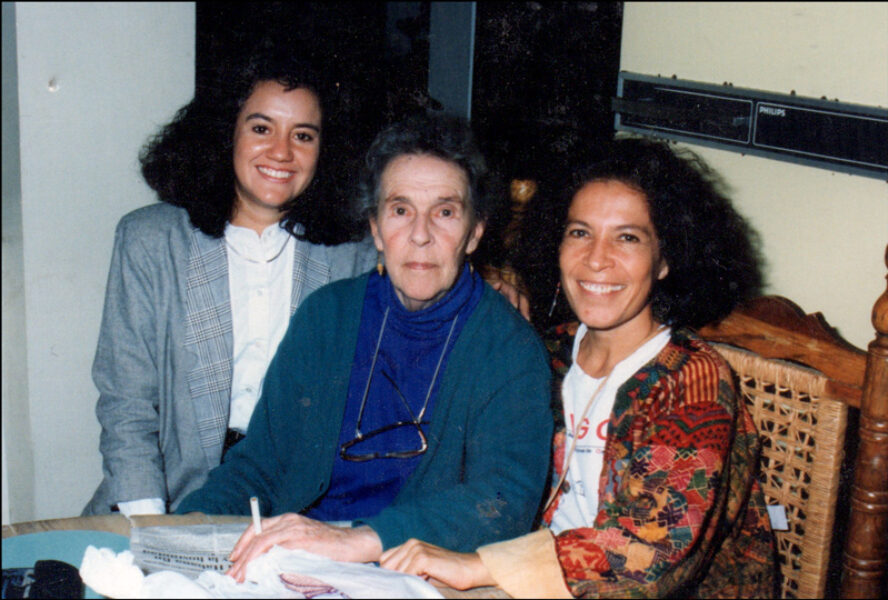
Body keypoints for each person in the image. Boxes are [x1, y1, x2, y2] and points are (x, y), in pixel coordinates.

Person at [83, 45, 529, 517]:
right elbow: (126, 406)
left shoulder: (352, 249)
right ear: (224, 133)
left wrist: (495, 278)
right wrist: (152, 530)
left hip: (291, 503)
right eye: (261, 128)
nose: (281, 152)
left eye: (304, 135)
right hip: (163, 495)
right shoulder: (151, 240)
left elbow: (427, 248)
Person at [380, 137, 778, 598]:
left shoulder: (691, 380)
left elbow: (649, 553)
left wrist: (479, 566)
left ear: (666, 258)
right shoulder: (543, 352)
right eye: (579, 232)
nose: (596, 259)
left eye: (627, 237)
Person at [175, 114, 553, 582]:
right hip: (295, 562)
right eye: (400, 210)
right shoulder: (328, 315)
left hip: (410, 573)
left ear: (475, 232)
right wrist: (180, 536)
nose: (420, 234)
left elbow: (503, 502)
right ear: (374, 228)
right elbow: (261, 465)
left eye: (445, 212)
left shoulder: (509, 349)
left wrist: (353, 542)